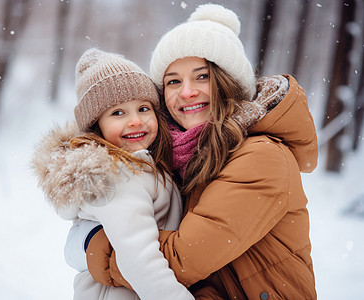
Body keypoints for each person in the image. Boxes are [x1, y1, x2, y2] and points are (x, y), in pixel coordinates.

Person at [71, 4, 318, 300]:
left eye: (202, 76)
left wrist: (91, 244)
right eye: (173, 81)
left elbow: (181, 261)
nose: (186, 92)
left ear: (228, 83)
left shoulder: (261, 157)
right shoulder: (179, 158)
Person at [31, 48, 195, 300]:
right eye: (118, 113)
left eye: (143, 108)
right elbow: (138, 259)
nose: (135, 121)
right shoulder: (120, 175)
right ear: (97, 126)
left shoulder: (145, 165)